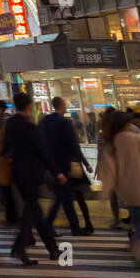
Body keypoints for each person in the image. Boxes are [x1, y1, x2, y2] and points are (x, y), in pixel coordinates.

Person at [5, 92, 65, 265]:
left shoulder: (10, 124)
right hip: (32, 174)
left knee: (36, 212)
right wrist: (57, 173)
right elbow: (42, 151)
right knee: (30, 212)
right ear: (29, 106)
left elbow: (7, 148)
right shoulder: (29, 126)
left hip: (17, 174)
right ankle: (19, 247)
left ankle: (53, 249)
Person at [98, 110, 140, 267]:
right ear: (127, 124)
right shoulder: (136, 139)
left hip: (126, 193)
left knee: (139, 220)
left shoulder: (110, 144)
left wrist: (105, 192)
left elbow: (109, 171)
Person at [39, 96, 94, 235]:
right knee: (64, 196)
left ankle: (60, 225)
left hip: (51, 164)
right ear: (62, 106)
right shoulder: (64, 122)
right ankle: (64, 226)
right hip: (65, 163)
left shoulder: (45, 121)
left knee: (63, 196)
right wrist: (85, 163)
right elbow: (73, 144)